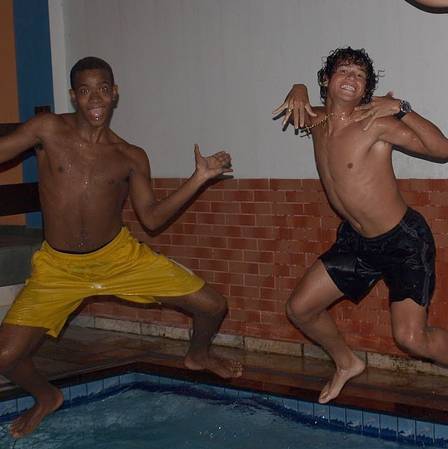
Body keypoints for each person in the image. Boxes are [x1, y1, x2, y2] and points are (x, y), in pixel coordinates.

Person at [0, 56, 242, 438]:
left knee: (213, 306)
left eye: (102, 89)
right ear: (73, 96)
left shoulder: (130, 156)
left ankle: (198, 355)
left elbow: (153, 219)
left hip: (118, 258)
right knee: (5, 357)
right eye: (85, 91)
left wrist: (199, 178)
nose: (95, 98)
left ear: (115, 93)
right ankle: (47, 397)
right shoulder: (48, 129)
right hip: (58, 269)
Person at [272, 47, 448, 405]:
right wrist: (297, 87)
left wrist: (402, 109)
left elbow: (442, 150)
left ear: (366, 89)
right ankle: (347, 362)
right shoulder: (316, 121)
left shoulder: (374, 123)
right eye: (344, 71)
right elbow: (300, 105)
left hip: (403, 242)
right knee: (300, 309)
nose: (352, 78)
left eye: (360, 75)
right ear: (327, 79)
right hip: (357, 242)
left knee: (412, 339)